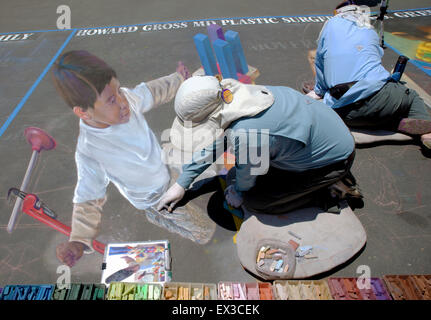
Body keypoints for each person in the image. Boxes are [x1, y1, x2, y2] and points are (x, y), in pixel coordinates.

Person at [51, 50, 214, 267]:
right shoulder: (91, 150)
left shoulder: (125, 101)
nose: (123, 101)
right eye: (111, 100)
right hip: (155, 196)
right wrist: (79, 241)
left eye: (118, 90)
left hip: (163, 173)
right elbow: (88, 198)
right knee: (203, 226)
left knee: (176, 191)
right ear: (84, 113)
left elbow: (151, 91)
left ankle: (159, 214)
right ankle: (203, 238)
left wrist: (178, 79)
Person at [156, 75, 362, 216]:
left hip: (334, 160)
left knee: (258, 202)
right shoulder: (240, 98)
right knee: (247, 168)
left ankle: (327, 192)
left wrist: (238, 191)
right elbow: (217, 143)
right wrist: (182, 183)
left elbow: (246, 177)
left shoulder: (247, 135)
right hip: (331, 130)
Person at [308, 0, 431, 149]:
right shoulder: (369, 30)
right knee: (411, 96)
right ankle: (426, 133)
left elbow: (320, 63)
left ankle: (387, 121)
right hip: (383, 99)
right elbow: (374, 60)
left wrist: (319, 91)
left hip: (346, 112)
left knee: (344, 106)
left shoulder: (329, 26)